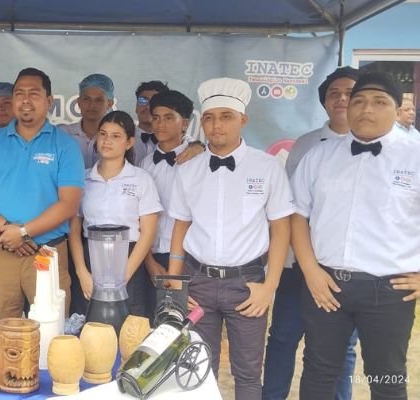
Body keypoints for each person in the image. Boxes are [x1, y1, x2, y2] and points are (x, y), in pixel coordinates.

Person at [292, 72, 420, 400]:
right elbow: (297, 216)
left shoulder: (414, 156)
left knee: (386, 378)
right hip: (326, 284)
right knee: (318, 372)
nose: (367, 109)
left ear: (398, 109)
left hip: (389, 290)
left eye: (380, 102)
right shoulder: (319, 156)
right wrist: (310, 271)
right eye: (359, 100)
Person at [167, 78, 293, 400]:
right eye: (209, 117)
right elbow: (180, 227)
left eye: (226, 116)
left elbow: (281, 230)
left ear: (243, 120)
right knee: (196, 369)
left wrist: (270, 287)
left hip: (247, 283)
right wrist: (176, 281)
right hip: (198, 283)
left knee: (248, 373)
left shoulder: (267, 168)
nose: (216, 125)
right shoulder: (188, 170)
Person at [264, 66, 360, 400]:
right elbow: (291, 208)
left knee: (340, 349)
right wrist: (305, 265)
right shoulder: (305, 146)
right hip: (297, 266)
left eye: (350, 93)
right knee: (282, 338)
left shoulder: (381, 149)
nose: (342, 99)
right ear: (323, 101)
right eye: (334, 93)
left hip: (345, 270)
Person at [0, 67, 84, 320]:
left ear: (49, 101)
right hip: (2, 253)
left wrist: (23, 232)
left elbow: (69, 204)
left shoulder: (65, 145)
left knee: (50, 333)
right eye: (19, 93)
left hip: (46, 253)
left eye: (34, 93)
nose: (26, 100)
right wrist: (8, 230)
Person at [69, 110, 161, 320]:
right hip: (91, 258)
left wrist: (123, 277)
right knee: (90, 329)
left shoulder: (141, 179)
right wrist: (82, 272)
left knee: (129, 331)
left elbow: (147, 233)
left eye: (115, 136)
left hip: (129, 259)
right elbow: (74, 230)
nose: (107, 140)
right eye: (103, 134)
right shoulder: (83, 179)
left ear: (129, 143)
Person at [140, 90, 194, 277]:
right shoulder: (145, 163)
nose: (161, 124)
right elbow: (137, 216)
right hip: (150, 255)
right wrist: (149, 262)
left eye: (169, 118)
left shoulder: (199, 160)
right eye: (156, 118)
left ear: (185, 123)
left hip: (189, 256)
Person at [59, 74, 147, 168]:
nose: (92, 105)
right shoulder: (62, 134)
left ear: (110, 103)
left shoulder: (130, 137)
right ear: (79, 102)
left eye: (99, 100)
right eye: (86, 99)